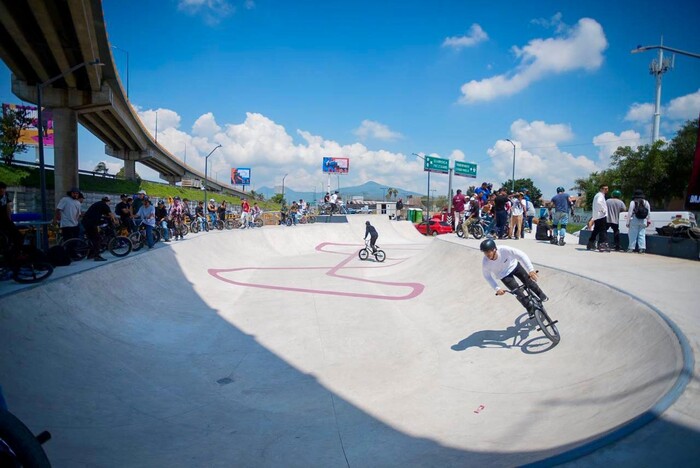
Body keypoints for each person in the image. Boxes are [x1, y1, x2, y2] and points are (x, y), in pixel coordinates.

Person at [480, 239, 548, 318]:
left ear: (494, 249)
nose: (486, 254)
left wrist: (531, 270)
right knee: (517, 293)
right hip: (504, 275)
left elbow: (521, 255)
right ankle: (529, 308)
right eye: (485, 252)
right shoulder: (485, 263)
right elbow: (487, 276)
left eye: (488, 252)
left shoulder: (504, 249)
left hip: (514, 266)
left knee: (528, 281)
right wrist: (497, 288)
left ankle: (540, 293)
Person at [81, 196, 118, 261]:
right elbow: (110, 214)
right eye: (109, 202)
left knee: (92, 239)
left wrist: (109, 217)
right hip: (91, 223)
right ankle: (97, 256)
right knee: (97, 239)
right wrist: (115, 221)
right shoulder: (104, 205)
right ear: (108, 201)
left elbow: (106, 214)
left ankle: (90, 255)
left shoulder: (99, 204)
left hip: (86, 222)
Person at [0, 182, 23, 257]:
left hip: (6, 220)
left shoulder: (5, 196)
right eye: (1, 190)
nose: (3, 192)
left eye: (4, 190)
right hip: (3, 220)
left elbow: (8, 207)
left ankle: (15, 253)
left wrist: (10, 220)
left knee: (17, 236)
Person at [627, 189, 651, 254]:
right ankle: (642, 248)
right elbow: (648, 212)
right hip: (643, 220)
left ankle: (631, 248)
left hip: (634, 220)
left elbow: (630, 213)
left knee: (633, 234)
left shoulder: (633, 202)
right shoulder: (646, 202)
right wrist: (648, 221)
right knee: (642, 234)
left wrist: (628, 222)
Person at [587, 184, 609, 252]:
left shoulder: (597, 195)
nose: (606, 190)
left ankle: (590, 243)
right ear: (601, 189)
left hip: (597, 216)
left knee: (596, 229)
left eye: (607, 189)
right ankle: (602, 245)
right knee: (603, 230)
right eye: (605, 189)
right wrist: (603, 210)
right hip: (601, 215)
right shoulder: (600, 195)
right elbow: (599, 202)